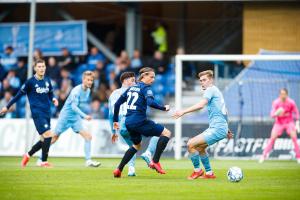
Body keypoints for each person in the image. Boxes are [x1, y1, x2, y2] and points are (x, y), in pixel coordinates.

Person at [173, 70, 232, 180]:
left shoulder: (210, 90)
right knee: (200, 148)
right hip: (219, 127)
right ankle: (209, 173)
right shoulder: (216, 91)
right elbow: (224, 110)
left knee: (191, 144)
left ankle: (197, 171)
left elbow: (201, 105)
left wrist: (183, 111)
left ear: (211, 80)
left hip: (218, 128)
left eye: (204, 80)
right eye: (200, 81)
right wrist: (226, 128)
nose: (202, 83)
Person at [112, 67, 171, 178]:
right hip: (139, 121)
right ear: (143, 76)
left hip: (128, 123)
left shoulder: (131, 88)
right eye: (151, 77)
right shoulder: (146, 88)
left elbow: (117, 104)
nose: (153, 79)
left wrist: (115, 121)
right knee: (166, 133)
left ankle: (118, 169)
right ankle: (155, 161)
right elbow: (150, 102)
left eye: (154, 77)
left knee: (136, 146)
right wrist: (164, 108)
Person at [0, 59, 59, 168]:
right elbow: (18, 95)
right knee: (49, 135)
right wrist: (7, 107)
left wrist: (54, 99)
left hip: (47, 113)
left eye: (43, 66)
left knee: (43, 139)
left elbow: (50, 93)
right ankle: (43, 161)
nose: (42, 68)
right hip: (38, 113)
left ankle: (28, 155)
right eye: (39, 67)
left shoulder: (47, 80)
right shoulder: (30, 82)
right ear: (35, 68)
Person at [37, 71, 101, 167]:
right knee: (54, 138)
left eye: (91, 80)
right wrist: (84, 116)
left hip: (75, 117)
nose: (90, 82)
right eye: (88, 80)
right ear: (83, 80)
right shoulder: (76, 91)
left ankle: (88, 161)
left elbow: (80, 105)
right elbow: (74, 107)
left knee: (88, 137)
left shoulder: (88, 91)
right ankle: (40, 159)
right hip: (66, 116)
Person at [259, 88, 300, 163]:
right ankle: (263, 156)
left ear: (287, 94)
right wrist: (276, 114)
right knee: (272, 139)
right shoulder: (276, 102)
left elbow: (297, 113)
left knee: (294, 139)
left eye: (284, 94)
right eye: (281, 94)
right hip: (279, 123)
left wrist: (297, 123)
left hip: (289, 122)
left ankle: (298, 157)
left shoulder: (291, 102)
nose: (282, 95)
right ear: (279, 94)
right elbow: (272, 114)